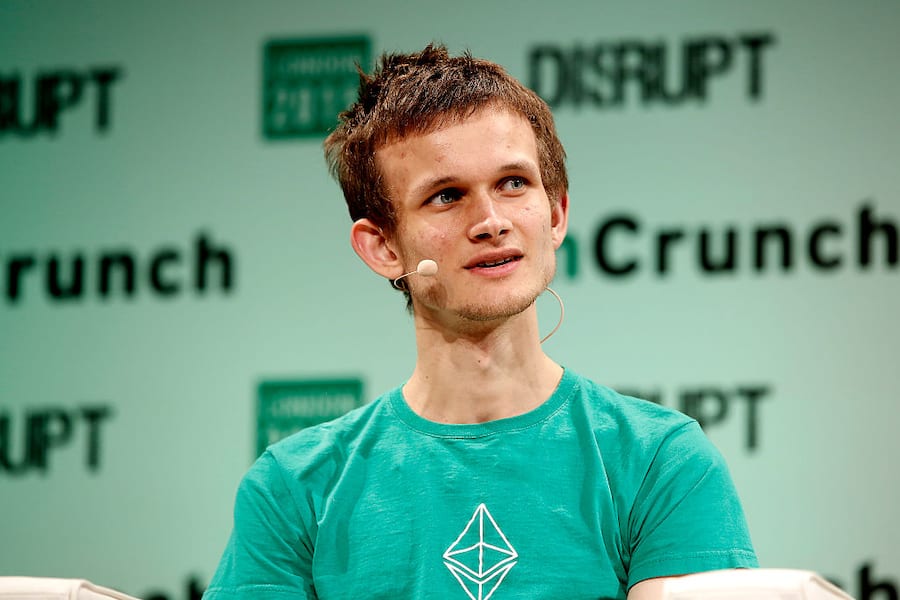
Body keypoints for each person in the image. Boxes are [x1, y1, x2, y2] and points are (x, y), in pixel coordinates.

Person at [203, 44, 757, 600]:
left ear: (557, 213)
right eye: (446, 196)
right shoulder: (294, 487)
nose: (491, 222)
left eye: (514, 183)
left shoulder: (660, 460)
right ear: (382, 247)